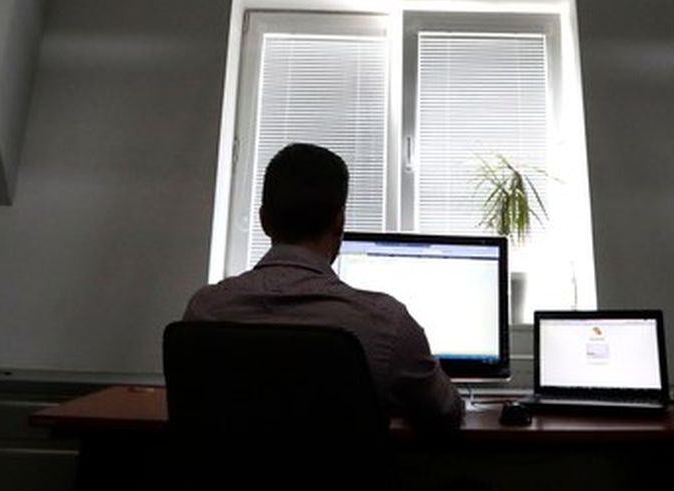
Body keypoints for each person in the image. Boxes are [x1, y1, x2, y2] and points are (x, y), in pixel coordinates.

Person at [184, 142, 464, 429]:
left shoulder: (204, 310)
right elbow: (446, 412)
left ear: (263, 220)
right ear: (339, 222)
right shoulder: (387, 323)